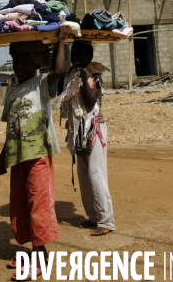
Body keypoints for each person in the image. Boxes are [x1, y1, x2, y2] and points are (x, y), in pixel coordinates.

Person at [0, 34, 66, 280]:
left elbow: (58, 69)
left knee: (38, 205)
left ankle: (38, 257)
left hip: (38, 157)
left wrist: (61, 41)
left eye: (25, 60)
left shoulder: (41, 84)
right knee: (21, 205)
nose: (19, 65)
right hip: (17, 158)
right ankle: (35, 251)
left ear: (36, 63)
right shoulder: (12, 93)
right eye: (16, 61)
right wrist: (2, 156)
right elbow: (11, 127)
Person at [60, 41, 115, 236]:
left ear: (89, 55)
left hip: (94, 129)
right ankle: (93, 216)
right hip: (78, 131)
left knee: (95, 173)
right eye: (73, 52)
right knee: (83, 175)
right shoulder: (70, 74)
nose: (76, 56)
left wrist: (84, 81)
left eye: (80, 53)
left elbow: (91, 101)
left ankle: (106, 219)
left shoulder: (93, 74)